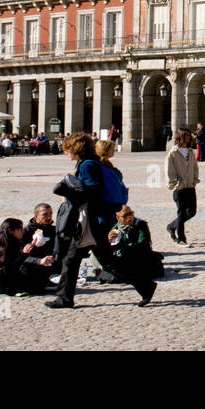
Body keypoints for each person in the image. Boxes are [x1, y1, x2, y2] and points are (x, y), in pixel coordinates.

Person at [48, 132, 156, 309]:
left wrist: (68, 191)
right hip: (91, 220)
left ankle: (145, 285)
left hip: (92, 221)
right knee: (78, 259)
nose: (65, 152)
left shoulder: (88, 165)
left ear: (76, 149)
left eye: (67, 149)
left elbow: (92, 192)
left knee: (102, 261)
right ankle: (64, 298)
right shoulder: (89, 162)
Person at [0, 218, 54, 296]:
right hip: (5, 287)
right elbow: (8, 270)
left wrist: (32, 245)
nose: (22, 231)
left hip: (10, 280)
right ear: (10, 231)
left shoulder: (11, 242)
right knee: (38, 282)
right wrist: (24, 254)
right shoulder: (2, 248)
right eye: (20, 229)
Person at [106, 205, 165, 281]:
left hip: (139, 256)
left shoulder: (140, 225)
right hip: (123, 257)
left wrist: (126, 248)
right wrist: (109, 240)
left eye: (131, 213)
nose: (129, 217)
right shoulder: (116, 229)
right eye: (125, 216)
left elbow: (144, 244)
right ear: (118, 218)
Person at [166, 130, 200, 246]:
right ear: (180, 137)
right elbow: (169, 169)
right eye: (186, 135)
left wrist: (195, 180)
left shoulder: (190, 151)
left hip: (190, 186)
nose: (189, 137)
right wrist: (175, 184)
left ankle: (171, 226)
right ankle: (181, 238)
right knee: (181, 213)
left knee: (192, 211)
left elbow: (195, 167)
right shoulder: (173, 152)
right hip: (179, 188)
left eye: (189, 135)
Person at [24, 203, 58, 267]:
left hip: (51, 268)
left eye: (50, 213)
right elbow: (20, 256)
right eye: (44, 214)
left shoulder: (54, 230)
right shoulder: (26, 231)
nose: (49, 217)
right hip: (31, 268)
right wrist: (39, 261)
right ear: (36, 216)